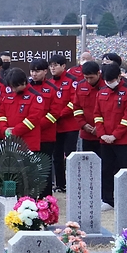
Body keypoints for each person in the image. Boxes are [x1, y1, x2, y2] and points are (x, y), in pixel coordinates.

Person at [94, 62, 127, 207]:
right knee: (106, 169)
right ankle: (107, 199)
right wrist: (102, 134)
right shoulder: (101, 92)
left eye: (112, 80)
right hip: (105, 139)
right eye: (107, 81)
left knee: (124, 169)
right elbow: (97, 115)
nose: (109, 83)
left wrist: (115, 135)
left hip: (123, 140)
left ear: (119, 77)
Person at [28, 58, 61, 194]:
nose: (34, 74)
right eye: (32, 71)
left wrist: (37, 126)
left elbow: (55, 113)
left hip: (45, 136)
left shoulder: (53, 89)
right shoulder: (26, 87)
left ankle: (46, 198)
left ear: (45, 71)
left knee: (45, 168)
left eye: (37, 71)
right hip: (28, 136)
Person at [49, 55, 79, 192]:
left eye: (55, 65)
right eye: (51, 65)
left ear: (63, 66)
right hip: (55, 126)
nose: (52, 68)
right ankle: (60, 184)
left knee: (70, 155)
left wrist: (60, 114)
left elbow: (74, 102)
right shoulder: (49, 83)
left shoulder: (72, 81)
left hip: (70, 125)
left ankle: (73, 183)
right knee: (56, 156)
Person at [0, 68, 45, 153]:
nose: (13, 90)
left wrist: (14, 132)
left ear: (23, 82)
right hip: (10, 142)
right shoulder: (8, 95)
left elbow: (33, 119)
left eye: (15, 87)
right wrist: (4, 129)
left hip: (28, 144)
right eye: (11, 87)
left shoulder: (35, 97)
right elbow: (1, 114)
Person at [73, 61, 103, 156]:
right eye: (86, 78)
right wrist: (83, 124)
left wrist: (100, 128)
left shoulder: (106, 86)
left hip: (104, 134)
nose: (89, 81)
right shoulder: (80, 86)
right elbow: (77, 108)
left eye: (91, 78)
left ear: (98, 73)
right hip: (87, 133)